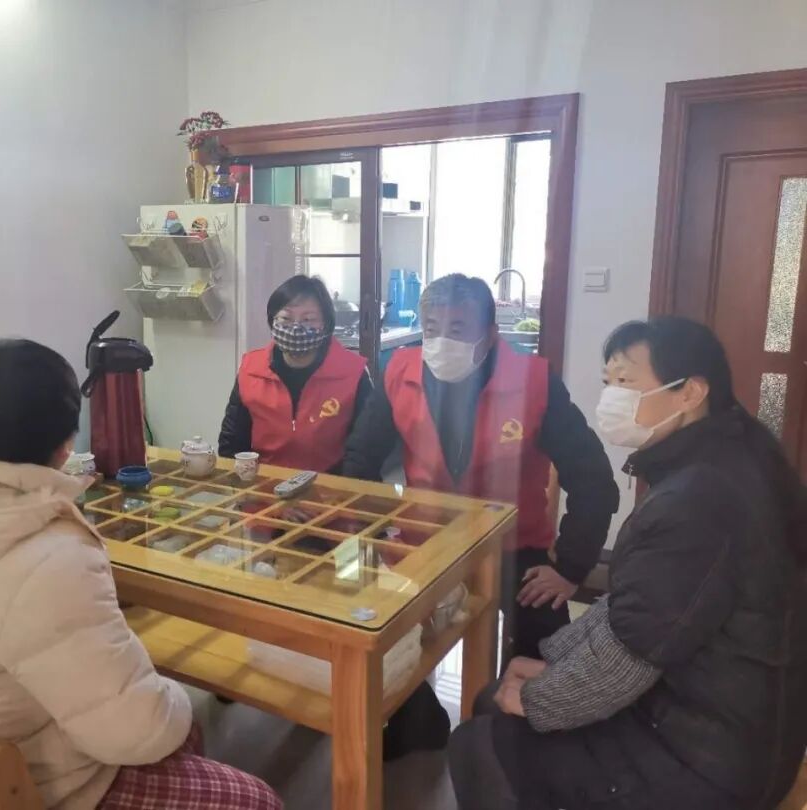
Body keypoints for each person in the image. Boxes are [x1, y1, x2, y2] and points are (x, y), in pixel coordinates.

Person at [0, 340, 282, 810]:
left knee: (177, 731)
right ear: (65, 447)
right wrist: (175, 696)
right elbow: (132, 732)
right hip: (23, 788)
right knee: (255, 797)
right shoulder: (48, 557)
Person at [448, 317, 807, 810]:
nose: (611, 397)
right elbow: (636, 607)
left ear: (690, 392)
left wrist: (537, 697)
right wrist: (557, 662)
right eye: (608, 381)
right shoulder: (724, 456)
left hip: (706, 755)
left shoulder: (698, 499)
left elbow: (630, 656)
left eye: (626, 381)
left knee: (479, 746)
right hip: (714, 712)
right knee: (493, 701)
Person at [345, 274, 619, 662]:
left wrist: (571, 569)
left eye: (457, 329)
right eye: (432, 329)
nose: (442, 342)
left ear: (490, 334)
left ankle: (507, 700)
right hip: (424, 541)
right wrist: (372, 531)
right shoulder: (399, 372)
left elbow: (594, 480)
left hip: (513, 545)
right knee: (380, 647)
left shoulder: (533, 382)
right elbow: (360, 458)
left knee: (547, 654)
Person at [219, 275, 371, 473]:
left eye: (308, 319)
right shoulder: (251, 370)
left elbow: (366, 449)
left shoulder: (353, 373)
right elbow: (232, 443)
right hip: (264, 484)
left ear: (326, 324)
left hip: (328, 486)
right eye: (286, 318)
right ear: (273, 321)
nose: (296, 328)